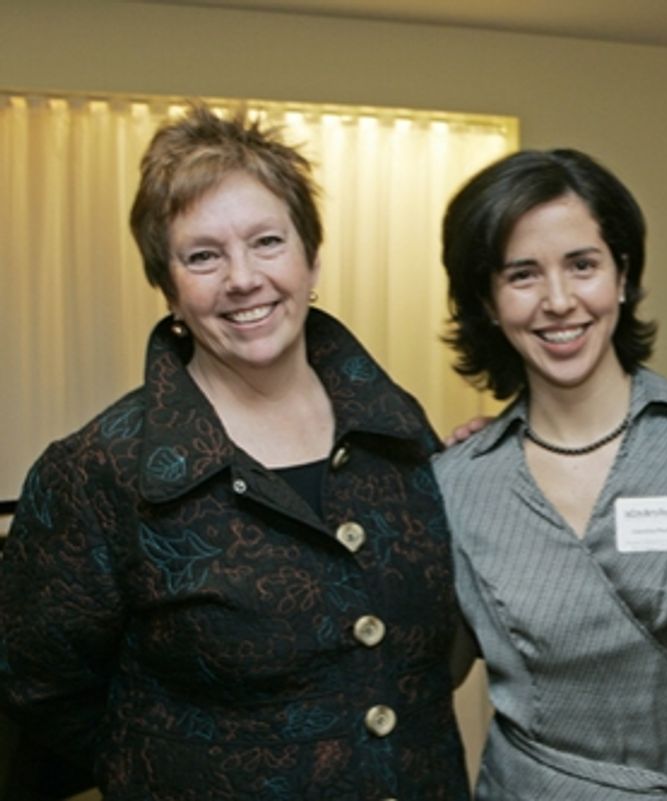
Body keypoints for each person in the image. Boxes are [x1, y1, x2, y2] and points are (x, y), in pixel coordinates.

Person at [0, 104, 470, 800]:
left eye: (267, 242)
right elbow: (39, 690)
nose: (243, 277)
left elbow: (432, 647)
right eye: (203, 255)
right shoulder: (99, 470)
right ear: (169, 286)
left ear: (312, 258)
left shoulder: (396, 426)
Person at [434, 148, 667, 799]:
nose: (559, 301)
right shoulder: (457, 484)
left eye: (582, 265)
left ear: (622, 275)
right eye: (522, 274)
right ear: (488, 301)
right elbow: (415, 680)